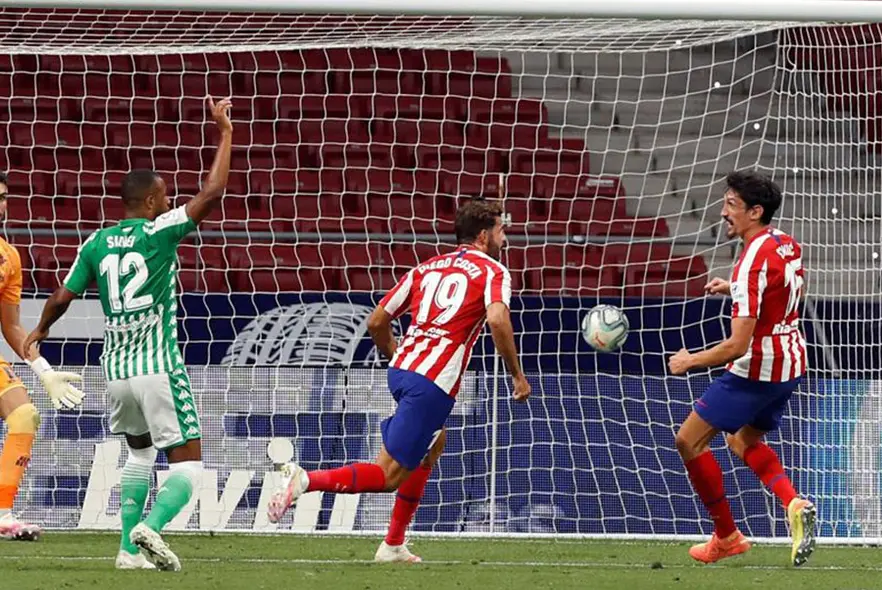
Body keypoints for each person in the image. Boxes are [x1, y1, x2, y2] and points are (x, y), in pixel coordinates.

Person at [23, 96, 233, 570]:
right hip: (158, 366)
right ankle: (150, 529)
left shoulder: (97, 241)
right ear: (153, 201)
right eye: (164, 193)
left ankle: (124, 552)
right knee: (187, 467)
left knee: (139, 455)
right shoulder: (159, 231)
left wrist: (40, 331)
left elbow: (61, 296)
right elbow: (212, 193)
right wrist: (225, 133)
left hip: (115, 370)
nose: (168, 198)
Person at [267, 199, 531, 563]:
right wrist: (517, 375)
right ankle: (305, 481)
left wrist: (397, 354)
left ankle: (393, 542)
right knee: (388, 475)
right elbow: (498, 321)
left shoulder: (425, 269)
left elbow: (377, 321)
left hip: (402, 369)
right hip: (433, 382)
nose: (505, 237)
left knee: (434, 443)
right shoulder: (494, 271)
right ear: (484, 236)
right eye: (502, 230)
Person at [668, 170, 815, 566]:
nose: (723, 212)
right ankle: (794, 502)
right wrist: (731, 288)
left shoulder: (749, 264)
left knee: (688, 441)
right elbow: (778, 285)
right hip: (791, 363)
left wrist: (689, 361)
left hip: (757, 369)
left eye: (731, 205)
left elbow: (737, 345)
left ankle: (727, 536)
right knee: (741, 441)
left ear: (755, 211)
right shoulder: (785, 242)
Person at [0, 171, 85, 541]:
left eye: (3, 196)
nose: (1, 203)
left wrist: (42, 368)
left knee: (24, 415)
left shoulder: (9, 257)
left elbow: (12, 327)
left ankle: (2, 512)